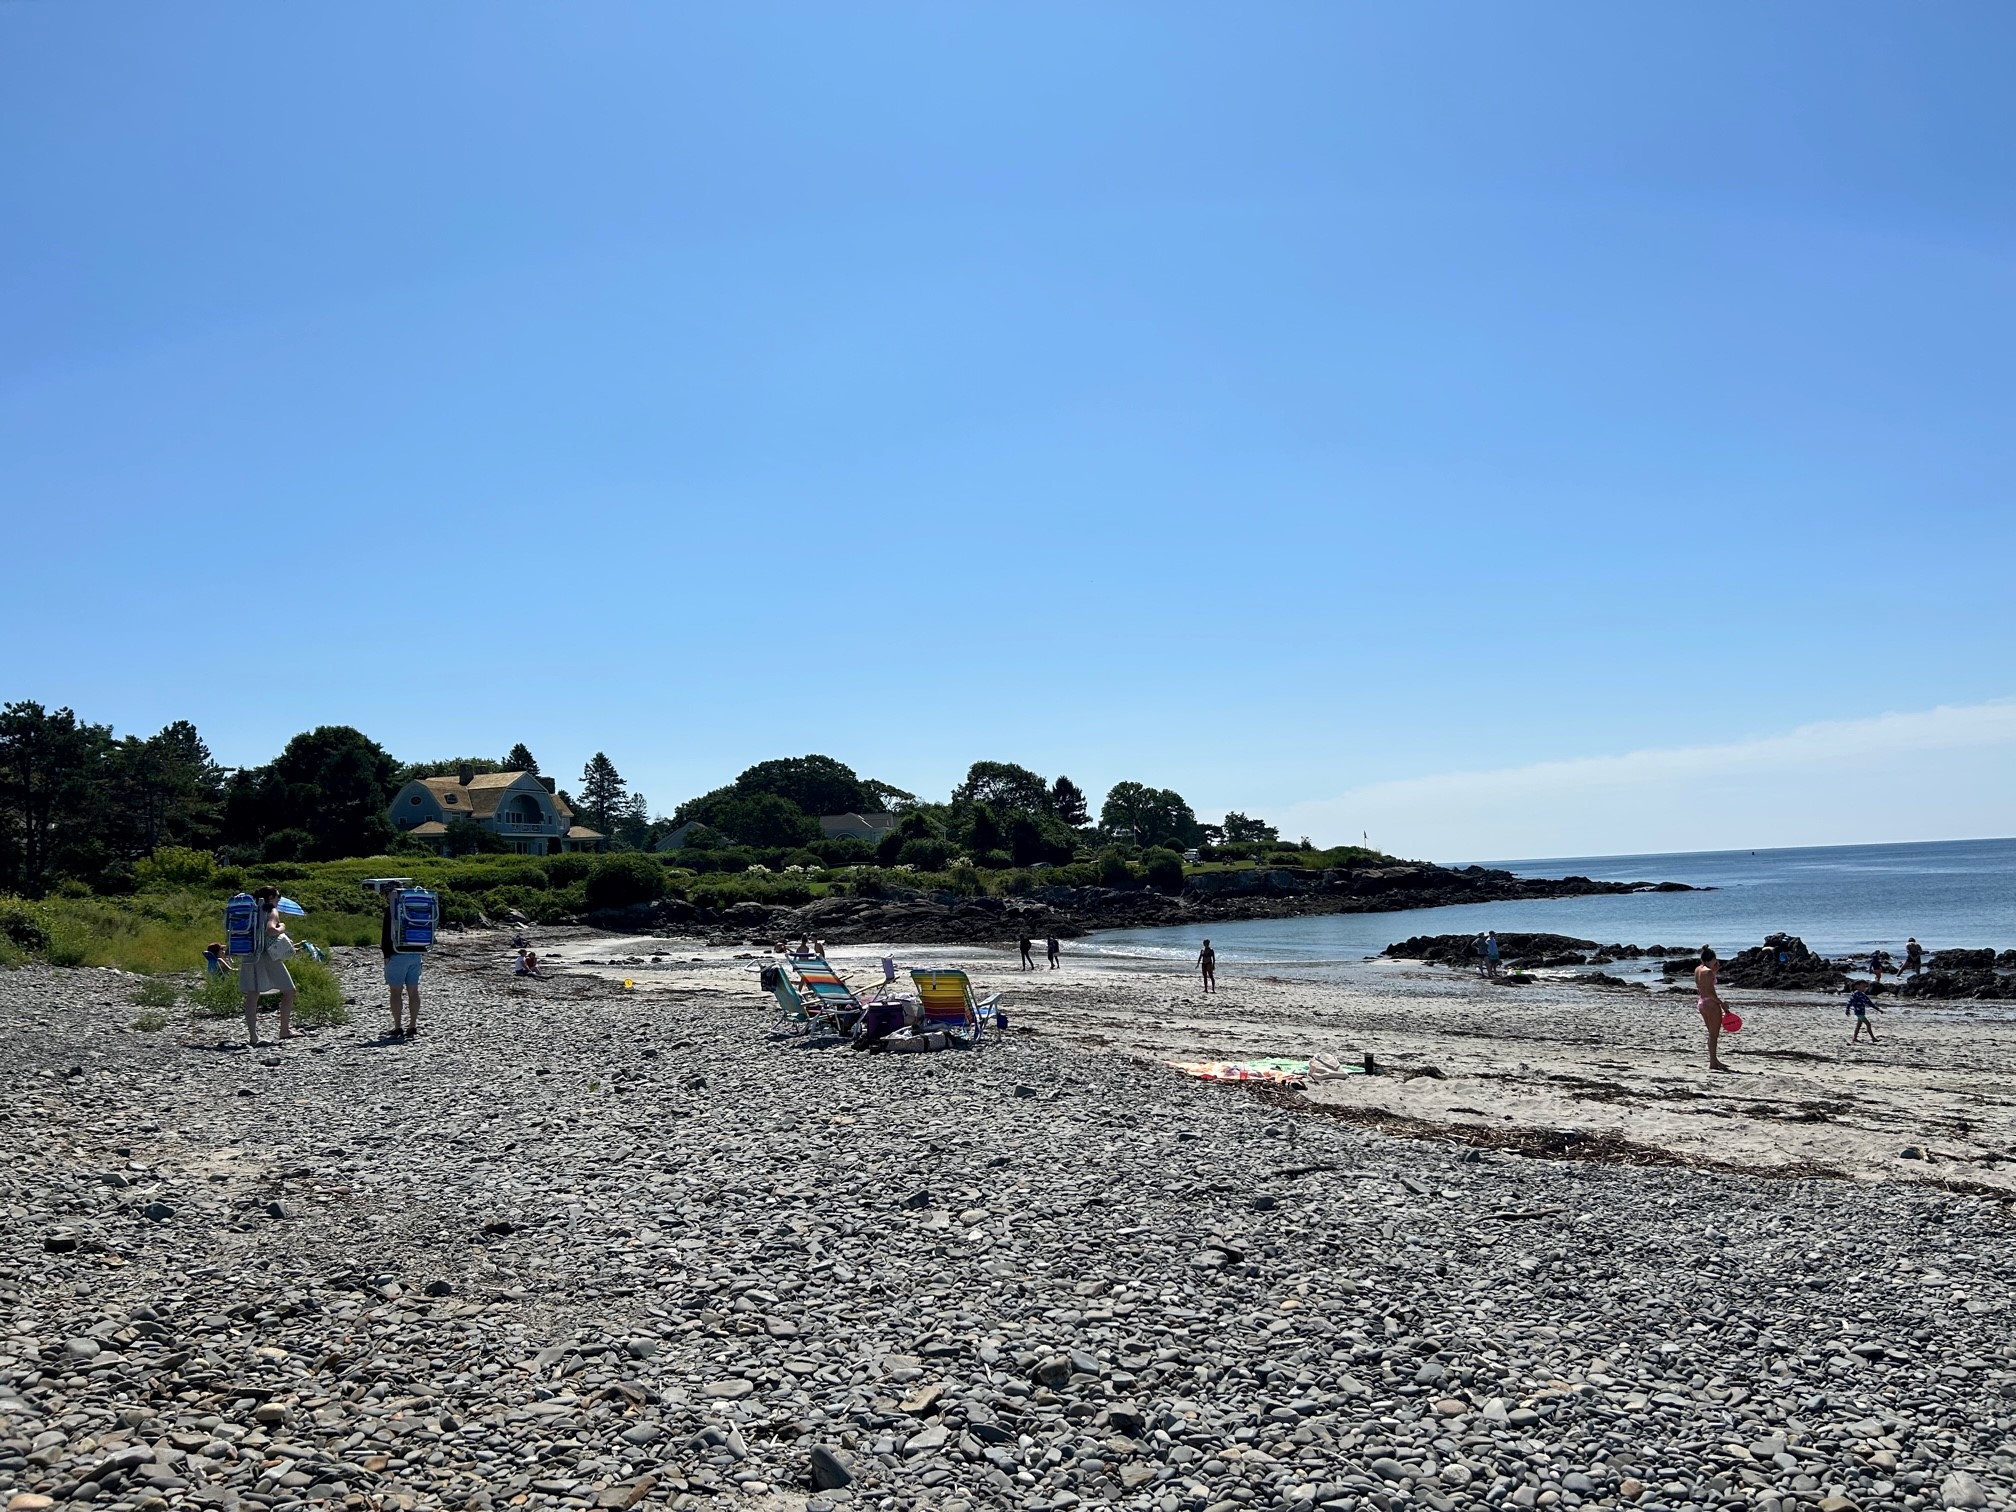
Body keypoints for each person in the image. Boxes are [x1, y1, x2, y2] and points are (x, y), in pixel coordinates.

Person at [239, 887, 297, 1046]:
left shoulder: (251, 910)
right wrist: (282, 927)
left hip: (250, 953)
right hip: (267, 955)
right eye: (277, 898)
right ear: (271, 897)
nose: (278, 902)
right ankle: (284, 1030)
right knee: (289, 990)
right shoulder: (271, 910)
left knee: (252, 995)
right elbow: (271, 930)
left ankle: (253, 1037)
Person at [382, 889, 424, 1038]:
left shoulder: (392, 909)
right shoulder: (416, 907)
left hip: (398, 954)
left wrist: (386, 955)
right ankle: (413, 1025)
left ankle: (398, 1026)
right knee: (413, 991)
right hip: (416, 953)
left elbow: (386, 934)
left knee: (395, 991)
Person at [1693, 946, 1732, 1072]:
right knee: (1714, 1035)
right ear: (1712, 959)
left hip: (1701, 1003)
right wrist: (1722, 1004)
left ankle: (1714, 1060)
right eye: (1715, 961)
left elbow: (1703, 987)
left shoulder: (1698, 969)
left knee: (1711, 1034)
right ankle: (1713, 1062)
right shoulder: (1708, 972)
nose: (1717, 963)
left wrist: (1715, 969)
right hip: (1710, 1003)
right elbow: (1711, 993)